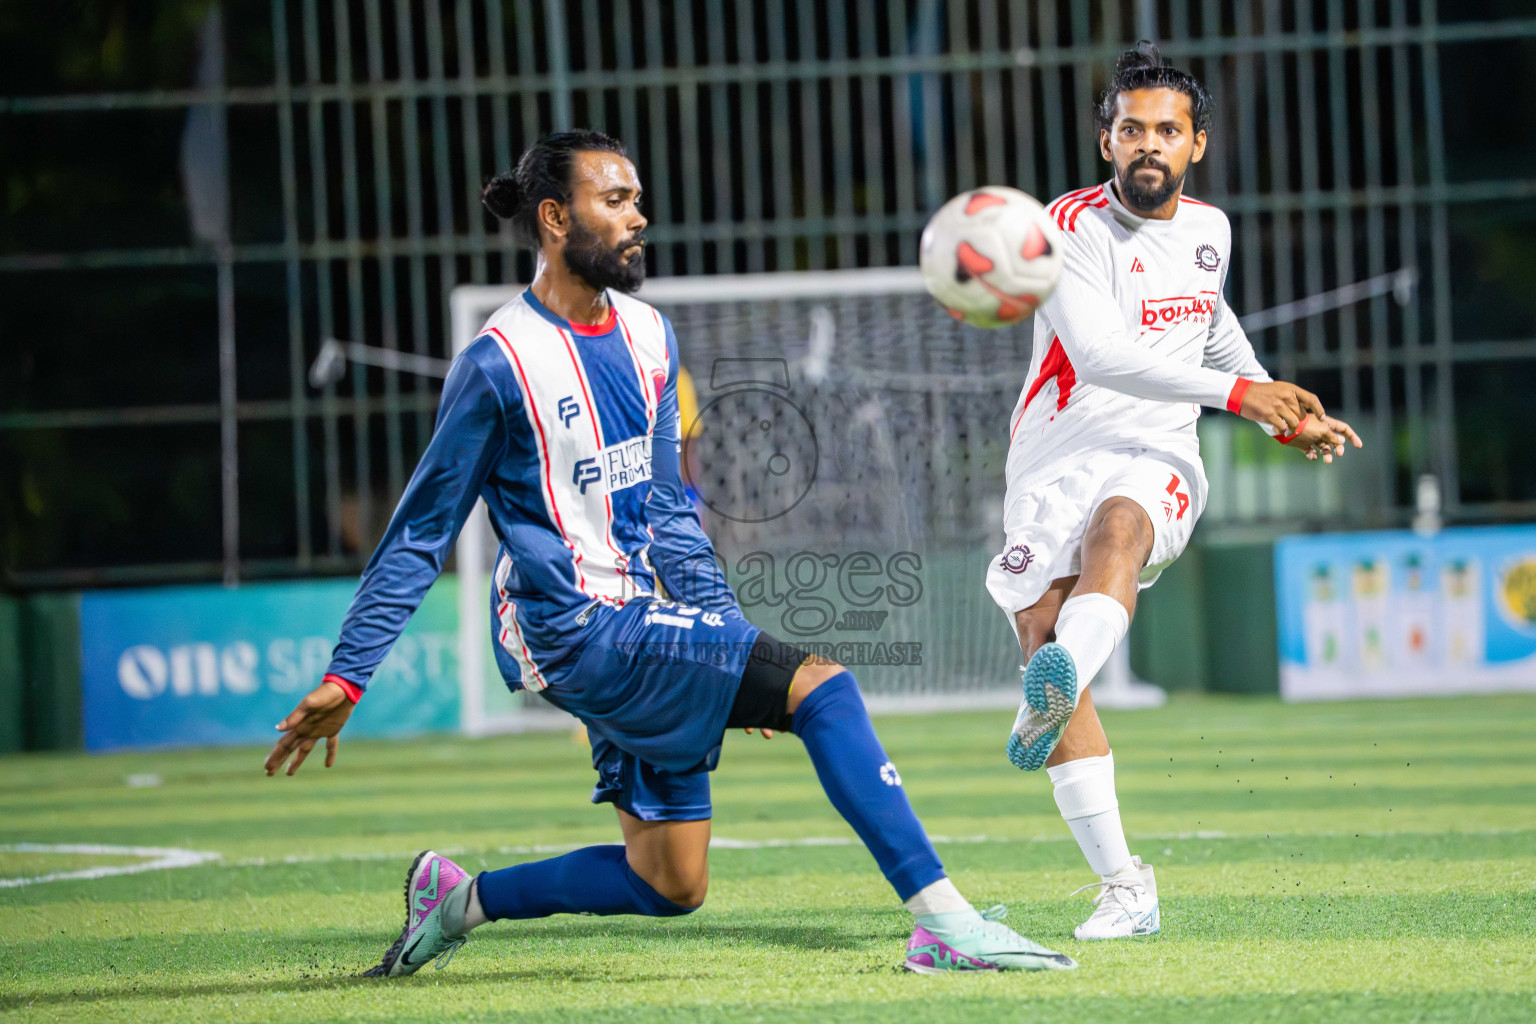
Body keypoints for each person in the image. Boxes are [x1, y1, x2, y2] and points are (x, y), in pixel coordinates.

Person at [263, 130, 1075, 977]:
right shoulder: (499, 363)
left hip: (642, 612)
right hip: (571, 626)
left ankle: (459, 899)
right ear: (552, 217)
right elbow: (421, 531)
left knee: (670, 881)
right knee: (823, 689)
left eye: (637, 199)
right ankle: (946, 922)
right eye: (614, 201)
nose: (637, 217)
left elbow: (666, 510)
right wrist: (351, 673)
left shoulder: (649, 335)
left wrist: (723, 631)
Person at [990, 44, 1363, 941]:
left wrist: (1275, 400)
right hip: (1053, 455)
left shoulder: (1211, 229)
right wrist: (1246, 397)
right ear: (1105, 142)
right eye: (1130, 130)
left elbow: (1208, 318)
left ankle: (1061, 678)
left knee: (1121, 532)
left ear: (1197, 143)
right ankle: (1127, 884)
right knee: (1044, 627)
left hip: (1156, 447)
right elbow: (1102, 356)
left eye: (1166, 130)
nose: (1146, 145)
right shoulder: (1066, 227)